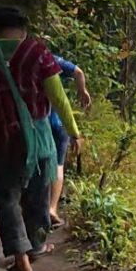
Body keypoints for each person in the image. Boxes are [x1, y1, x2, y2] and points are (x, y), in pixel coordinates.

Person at [0, 6, 82, 271]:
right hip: (36, 139)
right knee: (37, 193)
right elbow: (58, 98)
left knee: (6, 196)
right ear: (24, 27)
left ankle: (20, 256)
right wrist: (74, 131)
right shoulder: (38, 53)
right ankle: (36, 246)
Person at [48, 54, 91, 227]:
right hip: (56, 122)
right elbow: (78, 72)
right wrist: (83, 91)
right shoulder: (50, 59)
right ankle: (52, 207)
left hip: (31, 123)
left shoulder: (18, 61)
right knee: (58, 165)